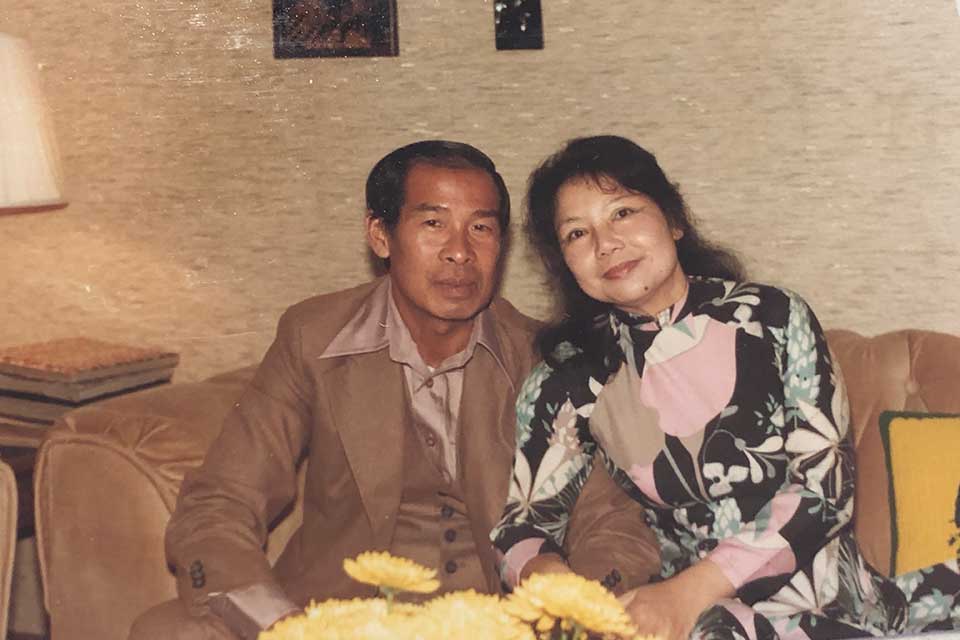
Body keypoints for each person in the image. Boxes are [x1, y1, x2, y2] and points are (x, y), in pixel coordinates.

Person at [129, 140, 660, 640]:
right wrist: (287, 628)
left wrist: (559, 619)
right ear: (380, 235)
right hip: (333, 616)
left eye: (481, 228)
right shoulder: (312, 336)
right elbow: (220, 502)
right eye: (433, 223)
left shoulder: (543, 359)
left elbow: (611, 524)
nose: (459, 252)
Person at [491, 135, 960, 640]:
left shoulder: (772, 319)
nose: (606, 244)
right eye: (576, 234)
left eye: (623, 213)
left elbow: (824, 491)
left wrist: (688, 592)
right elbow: (523, 525)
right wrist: (555, 584)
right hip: (700, 621)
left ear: (673, 219)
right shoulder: (569, 378)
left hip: (834, 603)